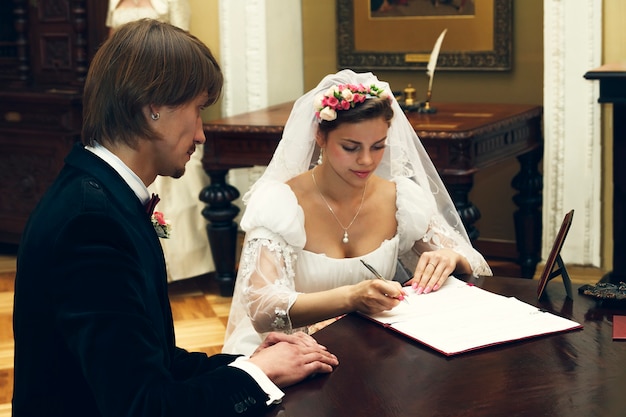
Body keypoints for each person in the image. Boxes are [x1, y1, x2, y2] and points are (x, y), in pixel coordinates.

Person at [12, 19, 337, 417]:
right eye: (198, 109)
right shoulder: (90, 223)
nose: (201, 134)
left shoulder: (101, 193)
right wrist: (256, 374)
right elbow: (144, 406)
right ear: (153, 108)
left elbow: (151, 361)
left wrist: (247, 363)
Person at [222, 69, 493, 356]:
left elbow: (476, 265)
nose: (366, 160)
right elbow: (262, 308)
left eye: (378, 147)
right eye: (350, 147)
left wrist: (451, 257)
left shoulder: (400, 199)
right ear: (320, 137)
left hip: (373, 349)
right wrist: (351, 297)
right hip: (291, 352)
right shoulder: (281, 203)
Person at [107, 0, 214, 282]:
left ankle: (181, 265)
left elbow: (180, 46)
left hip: (164, 95)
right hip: (131, 96)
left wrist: (165, 94)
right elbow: (112, 47)